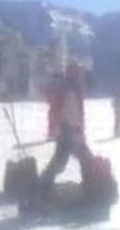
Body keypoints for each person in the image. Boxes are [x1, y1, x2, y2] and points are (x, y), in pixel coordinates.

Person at [38, 63, 93, 191]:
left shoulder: (70, 87)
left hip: (67, 129)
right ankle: (91, 184)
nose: (79, 74)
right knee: (84, 159)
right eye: (76, 72)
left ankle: (44, 183)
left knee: (61, 159)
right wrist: (76, 129)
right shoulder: (69, 89)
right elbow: (69, 110)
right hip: (69, 130)